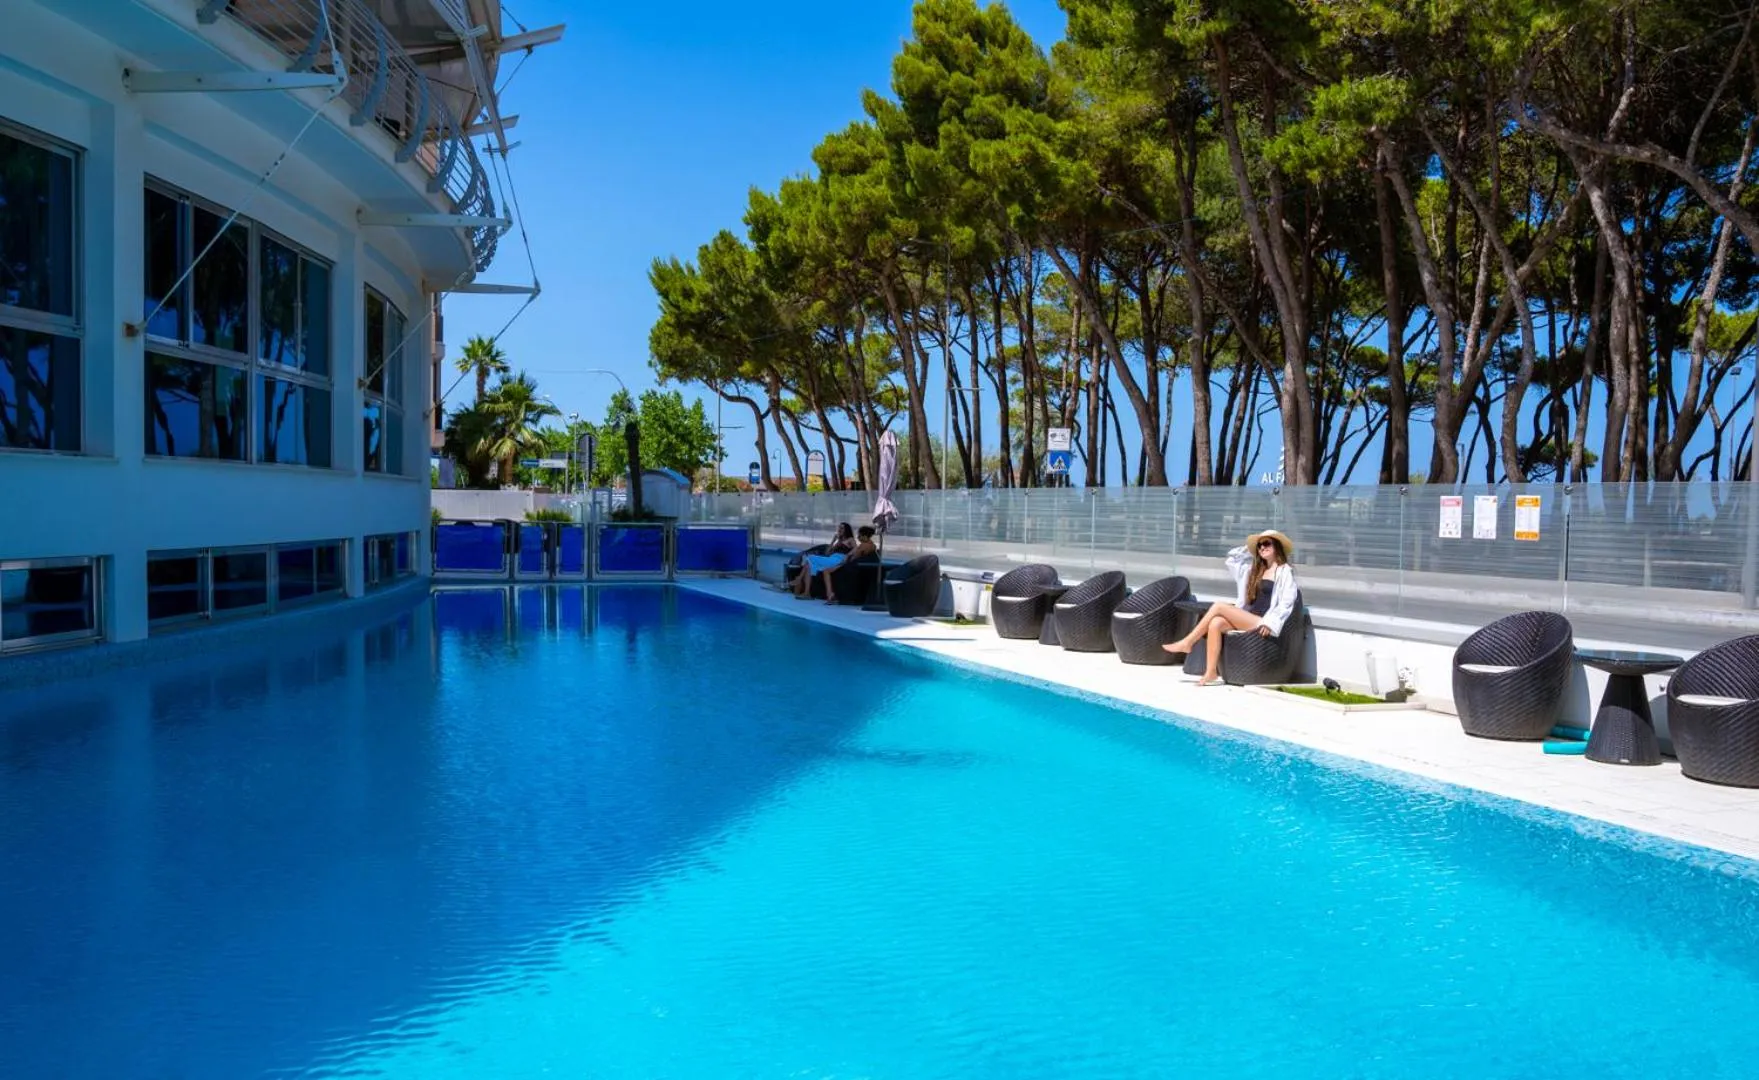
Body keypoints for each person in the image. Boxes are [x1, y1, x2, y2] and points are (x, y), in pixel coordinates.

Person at [1162, 529, 1299, 686]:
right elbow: (1232, 559)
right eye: (1259, 545)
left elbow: (1287, 602)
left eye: (1267, 543)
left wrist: (1271, 622)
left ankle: (1188, 642)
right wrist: (1249, 548)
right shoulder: (1254, 570)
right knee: (1216, 623)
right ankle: (1211, 672)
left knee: (1219, 606)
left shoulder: (1284, 572)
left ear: (1277, 546)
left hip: (1262, 621)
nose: (1262, 547)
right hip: (1248, 617)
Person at [791, 523, 856, 597]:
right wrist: (833, 541)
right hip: (831, 558)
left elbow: (856, 548)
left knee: (810, 558)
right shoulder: (838, 541)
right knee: (808, 564)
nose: (839, 529)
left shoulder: (850, 539)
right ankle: (807, 592)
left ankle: (799, 579)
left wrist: (848, 555)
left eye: (842, 528)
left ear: (846, 530)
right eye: (839, 528)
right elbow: (827, 553)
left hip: (839, 559)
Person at [820, 525, 877, 604]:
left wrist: (844, 560)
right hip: (857, 568)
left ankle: (830, 595)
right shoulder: (873, 546)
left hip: (851, 568)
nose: (858, 538)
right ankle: (830, 595)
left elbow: (854, 558)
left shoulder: (863, 546)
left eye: (859, 536)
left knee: (826, 571)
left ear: (864, 536)